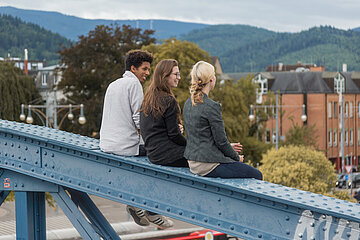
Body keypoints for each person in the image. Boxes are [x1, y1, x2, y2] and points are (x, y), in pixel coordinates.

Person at [99, 50, 173, 229]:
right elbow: (140, 119)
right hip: (126, 145)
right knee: (164, 156)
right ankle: (152, 211)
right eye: (144, 69)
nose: (147, 73)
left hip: (107, 143)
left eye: (148, 69)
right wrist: (158, 140)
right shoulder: (134, 85)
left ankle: (138, 203)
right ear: (133, 68)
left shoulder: (113, 84)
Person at [183, 61, 263, 180]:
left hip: (193, 162)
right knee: (257, 174)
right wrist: (236, 158)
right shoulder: (211, 106)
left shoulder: (188, 103)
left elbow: (201, 136)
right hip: (207, 165)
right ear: (211, 80)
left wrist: (229, 148)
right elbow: (221, 141)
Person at [140, 59, 188, 167]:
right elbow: (174, 135)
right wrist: (191, 145)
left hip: (153, 154)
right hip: (168, 155)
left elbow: (155, 129)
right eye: (176, 74)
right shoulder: (168, 100)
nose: (179, 77)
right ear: (165, 76)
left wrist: (174, 127)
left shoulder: (149, 98)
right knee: (205, 155)